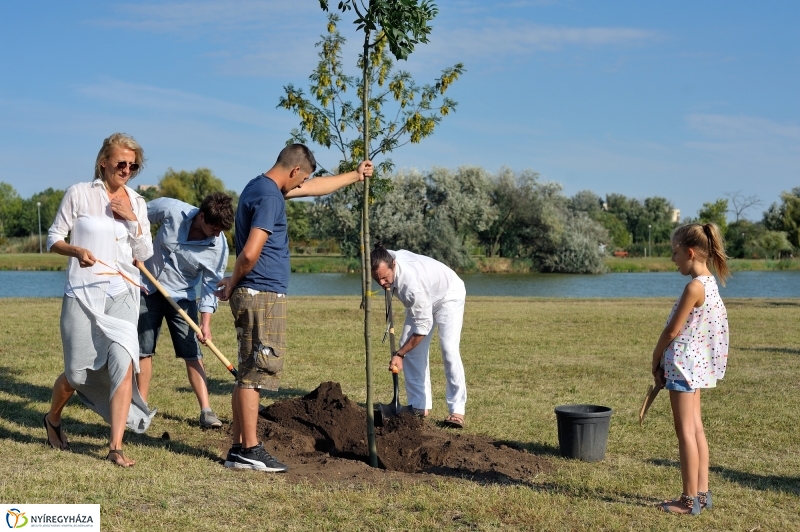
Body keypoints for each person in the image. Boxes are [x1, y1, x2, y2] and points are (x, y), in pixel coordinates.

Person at [216, 144, 373, 472]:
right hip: (262, 294)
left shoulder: (259, 186)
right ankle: (250, 449)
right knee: (256, 373)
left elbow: (314, 187)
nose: (302, 184)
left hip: (256, 292)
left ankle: (238, 448)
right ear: (293, 171)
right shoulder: (271, 197)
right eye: (301, 178)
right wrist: (232, 281)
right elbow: (249, 252)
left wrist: (355, 176)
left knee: (249, 370)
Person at [44, 132, 154, 467]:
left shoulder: (136, 202)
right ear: (103, 161)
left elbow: (144, 252)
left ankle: (115, 447)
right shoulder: (79, 193)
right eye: (121, 163)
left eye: (132, 166)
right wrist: (75, 251)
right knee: (77, 374)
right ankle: (52, 419)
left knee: (123, 365)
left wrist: (132, 220)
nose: (126, 170)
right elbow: (53, 238)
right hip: (82, 292)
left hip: (123, 292)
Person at [137, 192, 234, 429]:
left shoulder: (218, 247)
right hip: (147, 288)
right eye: (214, 228)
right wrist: (134, 246)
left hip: (183, 298)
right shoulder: (171, 209)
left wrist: (206, 323)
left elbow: (211, 285)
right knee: (143, 351)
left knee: (193, 353)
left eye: (222, 230)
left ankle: (206, 411)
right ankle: (139, 409)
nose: (217, 234)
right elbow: (137, 215)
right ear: (202, 216)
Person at [651, 223, 730, 514]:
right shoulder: (710, 284)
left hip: (683, 366)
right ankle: (702, 493)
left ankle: (688, 500)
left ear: (690, 252)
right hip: (695, 367)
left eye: (675, 253)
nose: (673, 259)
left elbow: (672, 331)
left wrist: (655, 358)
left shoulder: (694, 287)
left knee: (685, 430)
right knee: (696, 428)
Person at [371, 244, 468, 428]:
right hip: (426, 294)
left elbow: (423, 328)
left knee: (448, 349)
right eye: (377, 279)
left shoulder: (411, 286)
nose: (382, 283)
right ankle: (419, 405)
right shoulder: (384, 257)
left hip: (449, 294)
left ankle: (457, 410)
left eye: (385, 278)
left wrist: (399, 355)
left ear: (393, 265)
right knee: (408, 346)